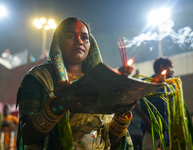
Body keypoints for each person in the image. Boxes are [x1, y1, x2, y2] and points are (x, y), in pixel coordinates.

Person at [16, 17, 135, 150]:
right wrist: (58, 106)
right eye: (70, 36)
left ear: (91, 45)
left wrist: (122, 115)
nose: (79, 41)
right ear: (58, 42)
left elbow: (109, 142)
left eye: (85, 38)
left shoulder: (102, 84)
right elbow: (27, 135)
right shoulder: (39, 78)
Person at [134, 57, 174, 150]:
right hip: (150, 129)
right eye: (170, 67)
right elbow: (134, 102)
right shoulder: (147, 83)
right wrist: (146, 119)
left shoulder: (168, 86)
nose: (173, 70)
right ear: (162, 67)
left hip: (166, 130)